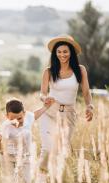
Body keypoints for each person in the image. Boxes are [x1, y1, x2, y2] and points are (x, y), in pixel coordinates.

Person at [39, 34, 94, 171]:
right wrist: (44, 99)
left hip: (69, 114)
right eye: (59, 52)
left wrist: (89, 106)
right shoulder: (49, 71)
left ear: (71, 53)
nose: (62, 54)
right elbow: (42, 93)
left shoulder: (80, 70)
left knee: (61, 149)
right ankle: (40, 178)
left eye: (65, 51)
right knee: (47, 147)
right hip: (50, 112)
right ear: (55, 53)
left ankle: (56, 179)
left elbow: (86, 92)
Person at [1, 98, 48, 183]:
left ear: (24, 114)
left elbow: (35, 115)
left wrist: (45, 107)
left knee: (27, 182)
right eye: (12, 119)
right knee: (10, 182)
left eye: (19, 118)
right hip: (9, 157)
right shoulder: (6, 126)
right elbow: (3, 144)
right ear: (7, 116)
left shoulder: (28, 117)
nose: (16, 122)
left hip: (25, 156)